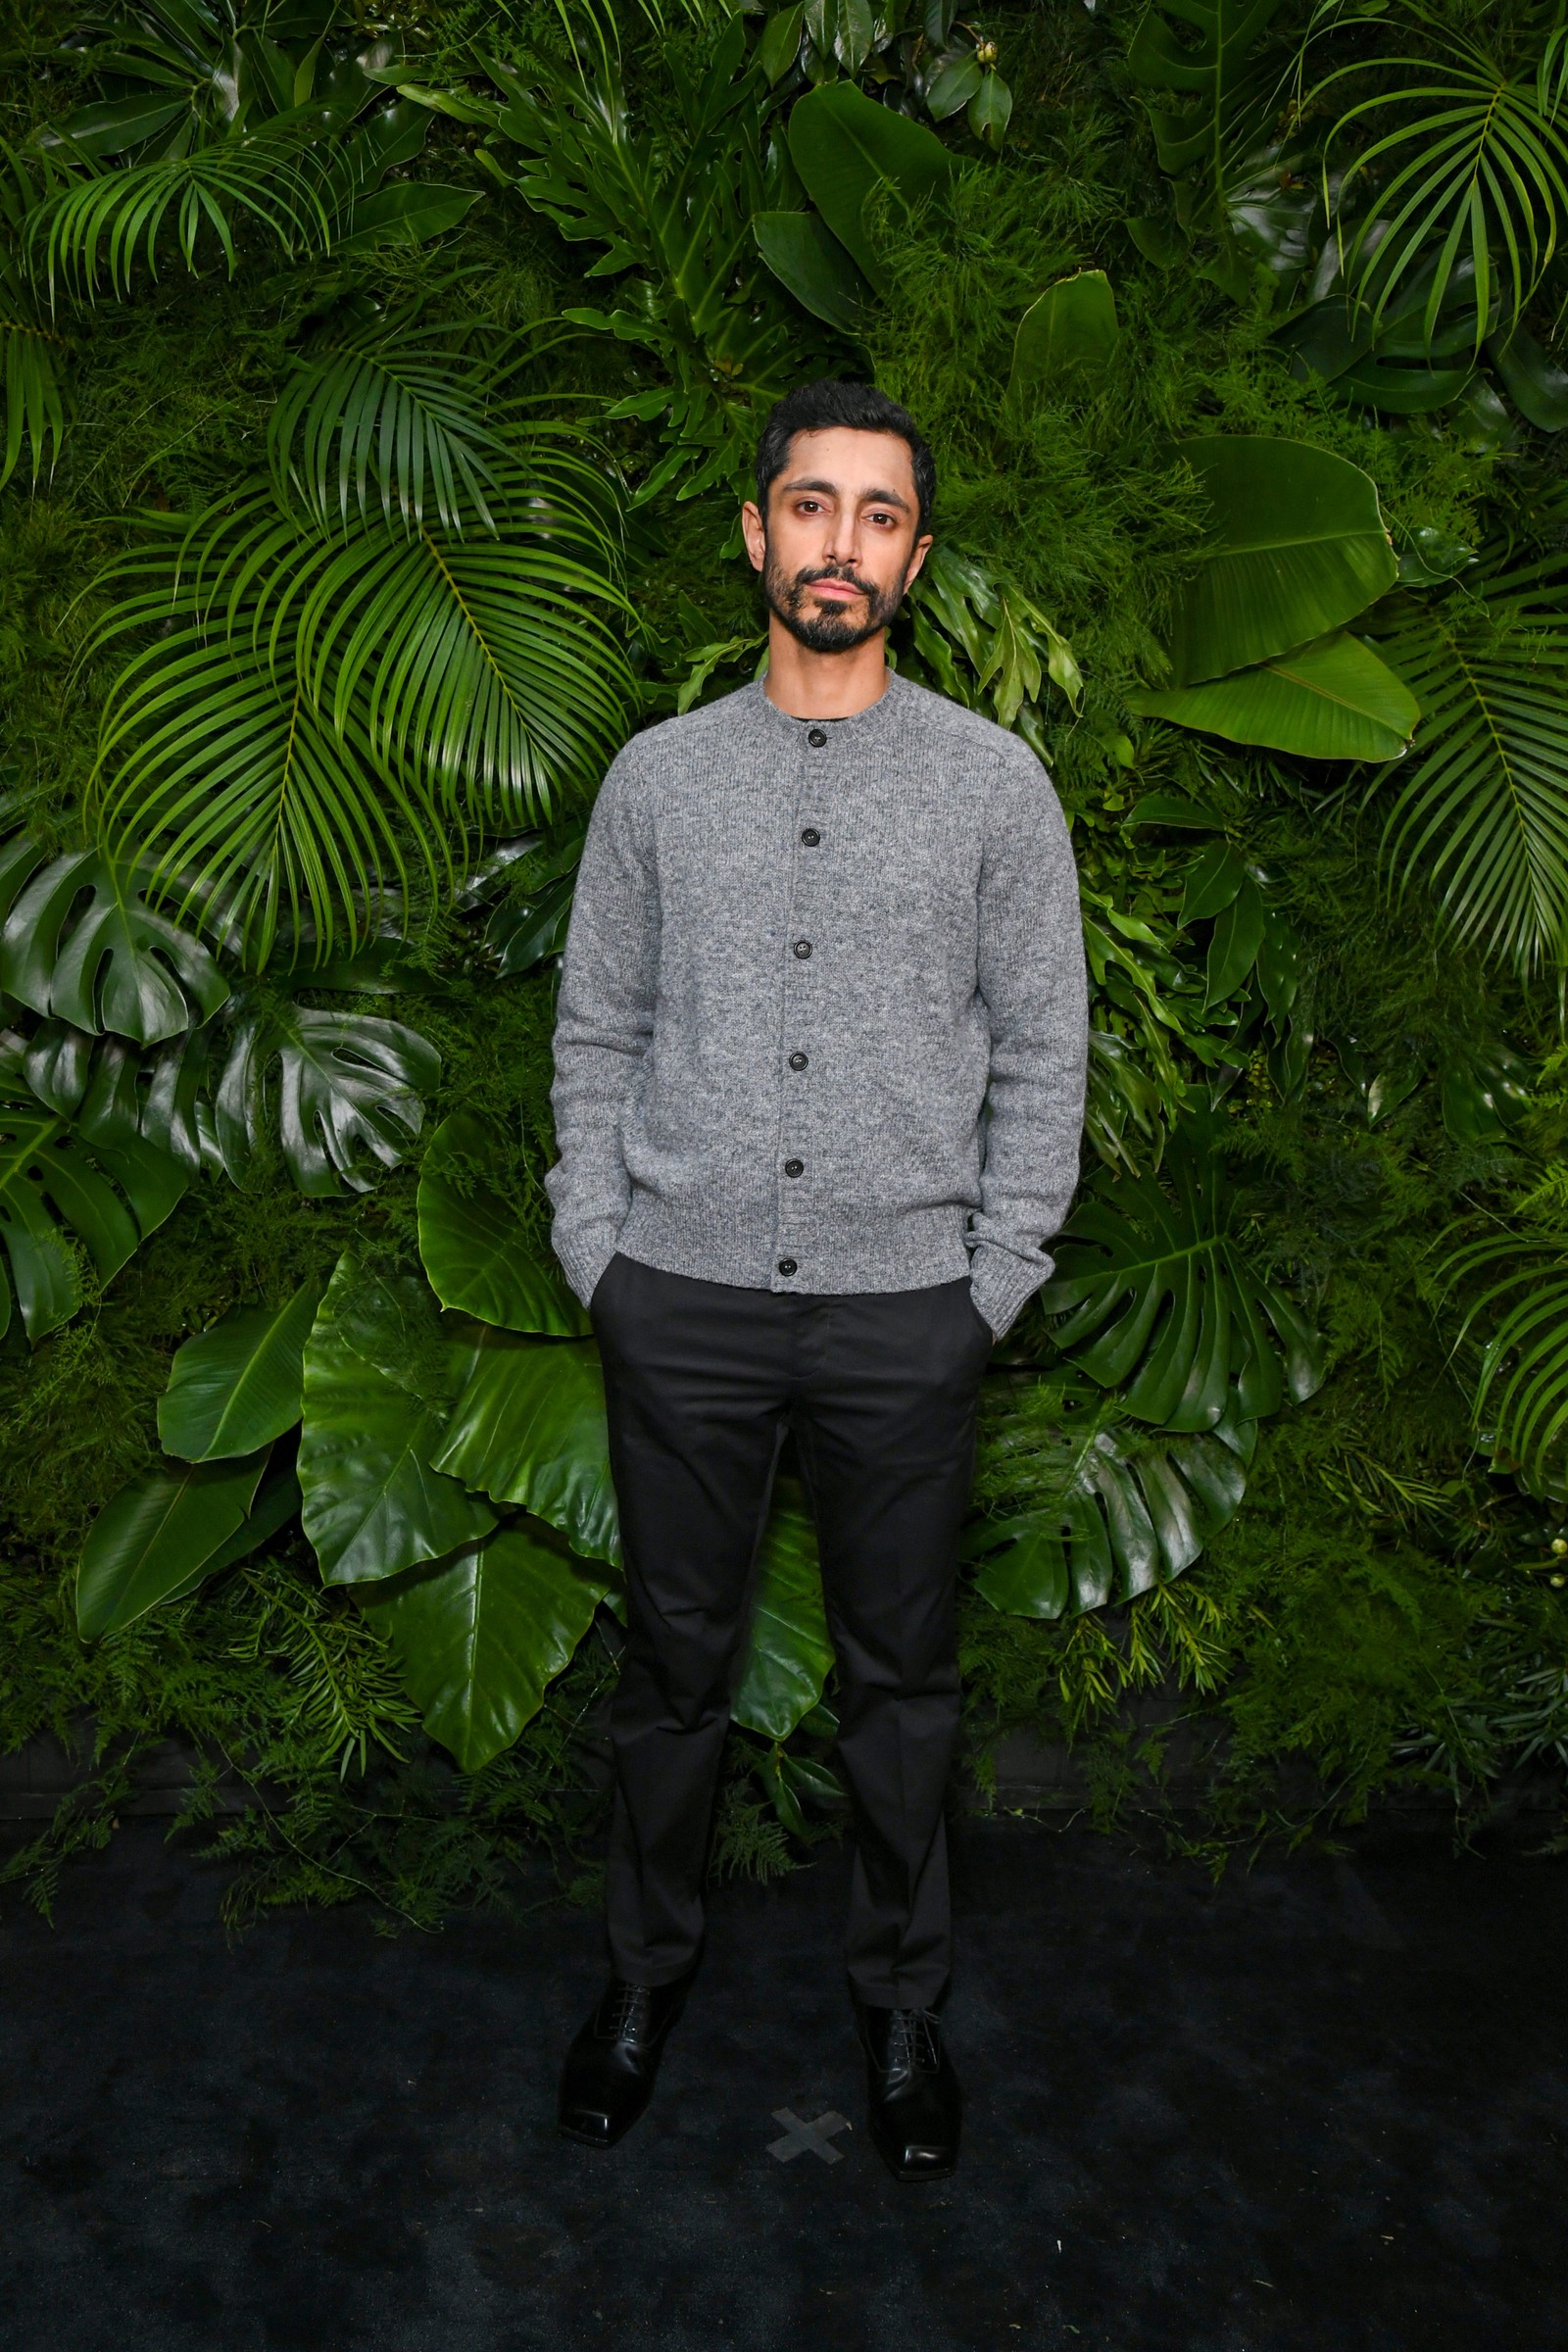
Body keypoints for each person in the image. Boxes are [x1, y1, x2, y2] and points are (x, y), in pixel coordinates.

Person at [545, 378, 1087, 2181]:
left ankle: (903, 2004)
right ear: (756, 533)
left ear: (914, 557)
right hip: (680, 1293)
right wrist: (597, 1251)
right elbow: (597, 1029)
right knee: (671, 1676)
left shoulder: (995, 785)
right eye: (809, 505)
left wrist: (988, 1281)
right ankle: (642, 1982)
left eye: (876, 514)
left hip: (902, 1313)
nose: (837, 541)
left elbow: (1046, 1051)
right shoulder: (658, 780)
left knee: (902, 1687)